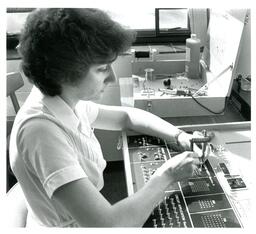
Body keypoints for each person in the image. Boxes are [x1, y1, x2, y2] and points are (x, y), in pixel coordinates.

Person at [9, 8, 204, 227]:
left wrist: (178, 136)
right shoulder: (40, 131)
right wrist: (167, 175)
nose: (111, 77)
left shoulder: (64, 101)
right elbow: (109, 226)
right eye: (102, 69)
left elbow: (126, 116)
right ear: (64, 72)